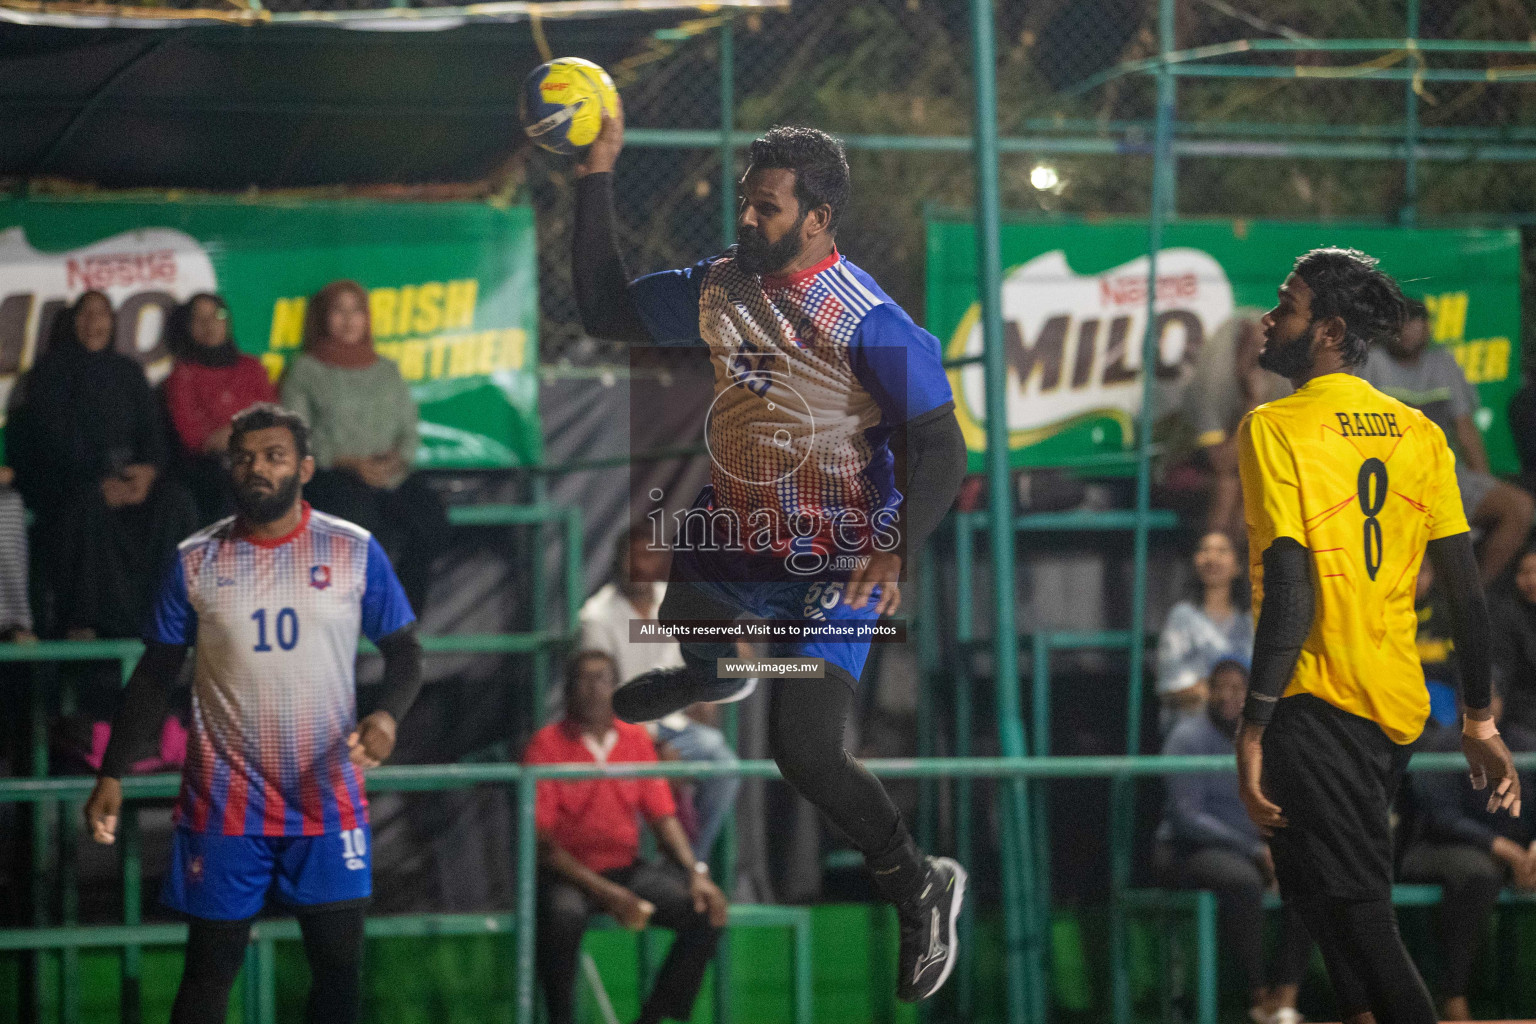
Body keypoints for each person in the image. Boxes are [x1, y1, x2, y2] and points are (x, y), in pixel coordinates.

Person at [568, 101, 968, 1000]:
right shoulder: (720, 284)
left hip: (842, 553)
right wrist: (593, 172)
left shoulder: (869, 321)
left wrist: (894, 550)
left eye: (769, 207)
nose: (747, 218)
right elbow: (603, 309)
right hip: (740, 533)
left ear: (819, 217)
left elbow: (943, 448)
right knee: (685, 625)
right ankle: (719, 675)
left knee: (807, 753)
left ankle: (919, 885)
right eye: (745, 202)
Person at [1234, 247, 1520, 1024]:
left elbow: (1291, 591)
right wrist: (1480, 719)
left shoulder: (1274, 426)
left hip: (1314, 702)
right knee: (1327, 908)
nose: (1269, 317)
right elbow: (1466, 593)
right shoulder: (1418, 434)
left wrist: (1253, 723)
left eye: (1285, 304)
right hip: (1390, 707)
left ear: (1327, 330)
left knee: (1358, 914)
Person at [81, 403, 424, 1024]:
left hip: (326, 801)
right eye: (243, 459)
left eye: (273, 456)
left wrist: (387, 718)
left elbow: (406, 656)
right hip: (225, 803)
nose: (257, 468)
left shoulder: (353, 550)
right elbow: (155, 675)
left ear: (305, 468)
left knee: (338, 981)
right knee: (207, 981)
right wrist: (112, 773)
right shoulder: (195, 559)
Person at [525, 650, 728, 1024]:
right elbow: (544, 845)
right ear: (567, 691)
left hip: (624, 868)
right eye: (583, 680)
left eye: (603, 679)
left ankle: (654, 1018)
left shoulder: (636, 740)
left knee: (707, 912)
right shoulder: (546, 746)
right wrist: (611, 896)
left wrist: (695, 870)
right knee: (560, 917)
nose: (593, 689)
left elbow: (663, 817)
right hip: (571, 876)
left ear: (617, 687)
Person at [7, 290, 196, 638]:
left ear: (113, 322)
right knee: (85, 505)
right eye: (85, 314)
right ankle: (88, 621)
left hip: (132, 484)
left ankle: (173, 611)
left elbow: (153, 435)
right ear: (71, 322)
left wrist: (148, 472)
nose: (94, 323)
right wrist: (98, 482)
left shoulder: (128, 372)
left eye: (102, 314)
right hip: (73, 486)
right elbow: (46, 448)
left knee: (176, 502)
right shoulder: (49, 375)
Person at [1155, 659, 1310, 1024]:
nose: (1229, 696)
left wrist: (1276, 847)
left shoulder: (1262, 737)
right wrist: (1255, 851)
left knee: (1308, 876)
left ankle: (1284, 997)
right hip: (1186, 848)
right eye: (1220, 687)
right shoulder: (1186, 737)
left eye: (1238, 688)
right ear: (1208, 691)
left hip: (1251, 848)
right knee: (1240, 880)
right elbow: (1187, 817)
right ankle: (1256, 998)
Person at [279, 280, 448, 616]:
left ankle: (403, 619)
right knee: (355, 522)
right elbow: (297, 435)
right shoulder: (306, 371)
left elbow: (408, 428)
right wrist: (348, 462)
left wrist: (397, 461)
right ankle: (344, 619)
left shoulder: (386, 370)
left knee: (430, 519)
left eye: (356, 310)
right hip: (335, 474)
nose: (348, 319)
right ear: (322, 318)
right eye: (338, 311)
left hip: (388, 474)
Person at [579, 523, 745, 859]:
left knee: (723, 764)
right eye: (631, 558)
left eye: (648, 556)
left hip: (676, 728)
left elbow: (736, 650)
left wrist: (708, 684)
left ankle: (690, 867)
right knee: (664, 774)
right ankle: (652, 869)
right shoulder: (596, 617)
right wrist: (652, 745)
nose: (640, 566)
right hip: (622, 731)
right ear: (617, 563)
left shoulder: (678, 599)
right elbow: (598, 701)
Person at [1360, 298, 1534, 584]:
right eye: (1403, 324)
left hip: (1444, 476)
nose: (1410, 332)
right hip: (1389, 483)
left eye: (1417, 324)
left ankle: (1476, 594)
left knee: (1519, 508)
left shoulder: (1443, 363)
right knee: (1418, 567)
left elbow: (1466, 431)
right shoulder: (1371, 363)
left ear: (1428, 327)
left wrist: (1481, 482)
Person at [1399, 682, 1536, 1021]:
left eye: (1490, 697)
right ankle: (1453, 995)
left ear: (1502, 702)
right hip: (1437, 848)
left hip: (1516, 852)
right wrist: (1505, 850)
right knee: (1478, 873)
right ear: (1460, 703)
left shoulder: (1521, 743)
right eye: (1473, 697)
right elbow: (1442, 819)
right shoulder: (1443, 744)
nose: (1481, 705)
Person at [163, 293, 278, 525]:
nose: (210, 324)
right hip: (211, 467)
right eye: (199, 318)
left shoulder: (251, 367)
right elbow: (193, 437)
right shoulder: (183, 375)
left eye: (217, 315)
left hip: (260, 455)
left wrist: (237, 434)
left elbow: (273, 419)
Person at [1182, 308, 1293, 541]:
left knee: (1255, 486)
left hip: (1243, 475)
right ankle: (1218, 565)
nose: (1261, 364)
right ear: (1240, 346)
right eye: (1255, 352)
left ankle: (1238, 572)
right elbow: (1220, 462)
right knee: (1230, 484)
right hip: (1184, 470)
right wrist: (1253, 402)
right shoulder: (1212, 384)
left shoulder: (1281, 384)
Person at [1156, 531, 1253, 732]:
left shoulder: (1249, 621)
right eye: (1204, 550)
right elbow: (1170, 686)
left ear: (1238, 565)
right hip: (1193, 729)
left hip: (1243, 729)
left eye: (1222, 551)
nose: (1212, 558)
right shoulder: (1182, 616)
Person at [1490, 545, 1536, 733]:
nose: (1532, 581)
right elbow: (1500, 669)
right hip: (1519, 717)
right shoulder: (1506, 616)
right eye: (1525, 573)